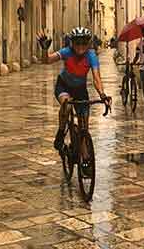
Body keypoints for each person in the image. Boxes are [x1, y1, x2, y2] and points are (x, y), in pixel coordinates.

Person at [38, 27, 111, 157]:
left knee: (84, 127)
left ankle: (86, 159)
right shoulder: (66, 52)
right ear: (72, 43)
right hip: (64, 86)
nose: (80, 46)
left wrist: (102, 94)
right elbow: (47, 60)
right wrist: (44, 49)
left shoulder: (91, 55)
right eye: (77, 42)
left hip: (80, 90)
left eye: (84, 42)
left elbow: (96, 77)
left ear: (88, 43)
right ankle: (61, 132)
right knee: (67, 105)